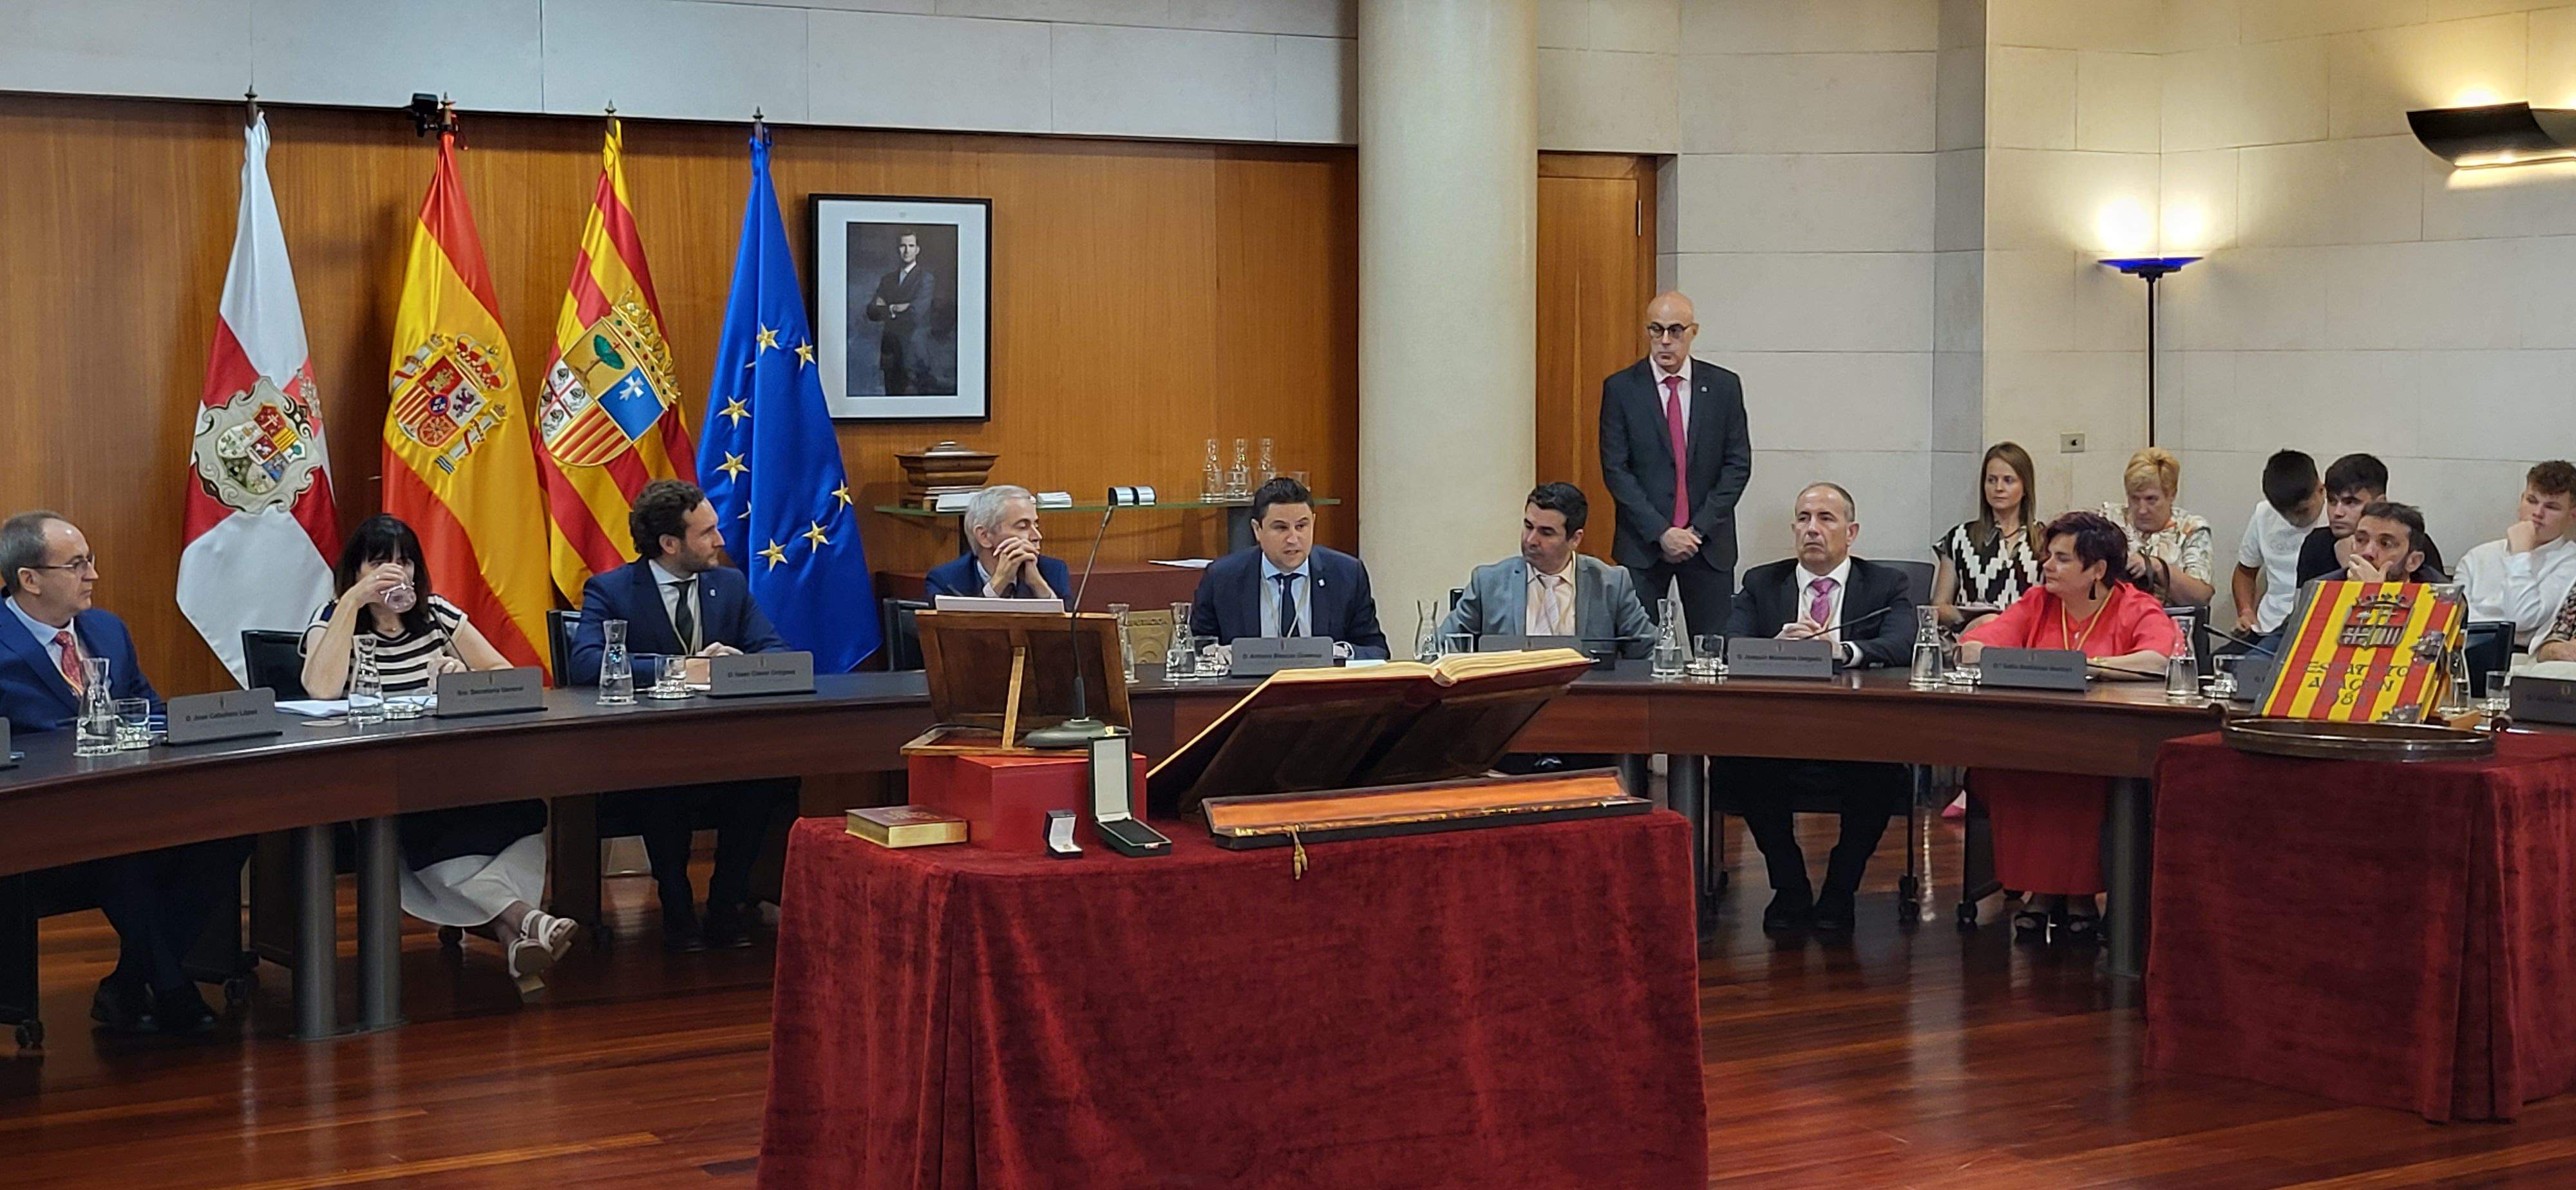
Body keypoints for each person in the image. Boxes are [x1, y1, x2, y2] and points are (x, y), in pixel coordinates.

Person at [0, 511, 252, 1035]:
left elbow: (150, 709)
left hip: (129, 798)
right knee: (119, 847)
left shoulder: (107, 630)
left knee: (231, 832)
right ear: (30, 579)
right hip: (40, 820)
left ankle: (129, 981)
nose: (92, 575)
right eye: (76, 565)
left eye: (90, 560)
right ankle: (172, 989)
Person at [301, 515, 574, 996]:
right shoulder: (332, 619)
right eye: (379, 562)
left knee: (520, 808)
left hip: (459, 770)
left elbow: (505, 676)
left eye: (404, 561)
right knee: (434, 830)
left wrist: (459, 675)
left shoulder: (439, 616)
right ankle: (527, 918)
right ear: (355, 570)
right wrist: (351, 603)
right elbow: (321, 690)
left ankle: (516, 936)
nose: (394, 572)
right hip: (387, 783)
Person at [567, 479, 798, 952]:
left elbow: (774, 652)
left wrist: (737, 661)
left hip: (727, 750)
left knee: (768, 780)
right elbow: (588, 664)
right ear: (670, 544)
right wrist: (680, 669)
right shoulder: (612, 591)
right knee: (663, 784)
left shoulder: (729, 585)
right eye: (707, 533)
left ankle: (727, 903)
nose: (721, 541)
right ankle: (676, 907)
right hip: (645, 752)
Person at [1960, 511, 2181, 947]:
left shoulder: (2135, 605)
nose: (2047, 566)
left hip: (2107, 742)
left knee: (2084, 779)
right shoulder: (2039, 602)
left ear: (2097, 570)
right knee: (2012, 769)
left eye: (2062, 559)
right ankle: (2042, 891)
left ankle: (2073, 895)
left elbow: (2159, 661)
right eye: (2049, 556)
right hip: (2035, 738)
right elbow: (1973, 651)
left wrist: (2082, 669)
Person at [1710, 484, 1915, 934]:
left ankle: (1841, 890)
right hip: (1776, 734)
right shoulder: (1762, 582)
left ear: (1851, 532)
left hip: (1857, 734)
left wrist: (1836, 649)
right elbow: (1728, 644)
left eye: (1826, 519)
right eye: (1803, 519)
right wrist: (1775, 649)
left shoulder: (1885, 584)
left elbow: (1903, 644)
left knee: (1879, 773)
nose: (1813, 529)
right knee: (1739, 766)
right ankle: (1790, 887)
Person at [1598, 290, 1752, 636]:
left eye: (1675, 330)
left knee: (1715, 653)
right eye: (1656, 330)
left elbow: (1737, 465)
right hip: (1643, 546)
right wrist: (1661, 532)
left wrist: (1695, 531)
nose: (1665, 341)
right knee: (1636, 654)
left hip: (1708, 544)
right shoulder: (1622, 389)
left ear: (1693, 332)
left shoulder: (1724, 387)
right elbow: (1616, 469)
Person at [1437, 482, 1656, 656]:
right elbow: (1442, 646)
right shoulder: (1488, 583)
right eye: (1528, 526)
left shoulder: (1611, 584)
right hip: (1509, 704)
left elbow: (1650, 652)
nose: (1531, 540)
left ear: (1574, 539)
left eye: (1546, 532)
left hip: (1586, 703)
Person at [1189, 475, 1388, 659]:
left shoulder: (1347, 574)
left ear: (1314, 523)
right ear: (1257, 530)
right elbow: (1195, 647)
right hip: (1248, 692)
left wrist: (1341, 652)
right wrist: (1214, 652)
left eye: (1302, 526)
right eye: (1281, 528)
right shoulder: (1222, 577)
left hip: (1322, 693)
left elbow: (1377, 651)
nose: (1293, 539)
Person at [2454, 460, 2576, 644]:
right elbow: (2455, 620)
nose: (2538, 513)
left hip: (2521, 660)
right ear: (2521, 501)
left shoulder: (2571, 562)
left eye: (2551, 507)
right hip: (2463, 650)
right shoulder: (2477, 557)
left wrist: (2521, 554)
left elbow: (2521, 618)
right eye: (2531, 501)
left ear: (2572, 516)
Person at [1933, 442, 2043, 632]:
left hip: (2027, 636)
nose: (1998, 488)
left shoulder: (2045, 539)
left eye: (2008, 480)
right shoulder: (1959, 538)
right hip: (1971, 633)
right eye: (1991, 480)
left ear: (2025, 487)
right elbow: (1939, 606)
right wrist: (1973, 617)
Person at [2295, 453, 2445, 586]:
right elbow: (2303, 611)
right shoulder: (2315, 543)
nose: (2337, 513)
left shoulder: (2413, 540)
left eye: (2351, 502)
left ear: (2379, 503)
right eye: (2332, 501)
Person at [2097, 446, 2213, 609]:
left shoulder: (2191, 529)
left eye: (2151, 499)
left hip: (2170, 623)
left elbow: (2201, 597)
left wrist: (2157, 567)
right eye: (2135, 499)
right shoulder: (2109, 520)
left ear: (2172, 494)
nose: (2142, 509)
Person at [925, 484, 1070, 605]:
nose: (1037, 537)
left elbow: (1069, 637)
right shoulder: (946, 581)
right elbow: (960, 637)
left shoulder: (1052, 572)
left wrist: (1038, 586)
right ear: (984, 536)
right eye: (1022, 526)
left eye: (1035, 525)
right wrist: (998, 584)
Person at [2229, 449, 2322, 637]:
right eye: (2283, 513)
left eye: (2302, 511)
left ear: (2321, 490)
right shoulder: (2263, 513)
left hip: (2317, 626)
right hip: (2270, 626)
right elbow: (2245, 571)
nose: (2293, 520)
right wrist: (2246, 611)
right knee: (2219, 662)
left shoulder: (2338, 519)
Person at [863, 229, 935, 395]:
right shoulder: (887, 280)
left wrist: (888, 307)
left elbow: (915, 315)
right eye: (903, 246)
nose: (907, 250)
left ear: (918, 249)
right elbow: (872, 311)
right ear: (898, 249)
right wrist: (896, 308)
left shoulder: (926, 279)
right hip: (890, 353)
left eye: (911, 245)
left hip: (914, 355)